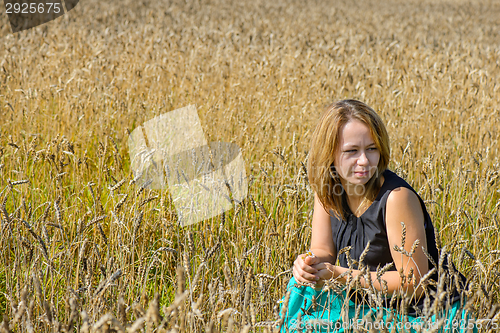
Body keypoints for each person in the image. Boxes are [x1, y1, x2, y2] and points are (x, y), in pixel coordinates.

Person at [278, 100, 476, 332]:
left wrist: (340, 275)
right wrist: (309, 264)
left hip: (419, 313)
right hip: (362, 302)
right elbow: (324, 251)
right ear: (329, 152)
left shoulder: (396, 198)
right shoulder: (327, 189)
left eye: (371, 149)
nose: (364, 160)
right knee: (299, 289)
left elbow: (414, 282)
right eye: (352, 151)